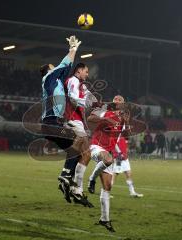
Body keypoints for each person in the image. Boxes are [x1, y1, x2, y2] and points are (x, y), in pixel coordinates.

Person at [40, 35, 82, 202]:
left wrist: (73, 52)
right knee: (78, 139)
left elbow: (65, 68)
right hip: (51, 123)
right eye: (53, 67)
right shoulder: (48, 78)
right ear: (49, 70)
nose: (55, 68)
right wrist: (72, 49)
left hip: (53, 123)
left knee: (75, 150)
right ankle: (66, 176)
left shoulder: (55, 81)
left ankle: (65, 180)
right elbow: (64, 65)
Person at [58, 62, 97, 206]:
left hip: (78, 121)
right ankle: (71, 181)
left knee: (82, 155)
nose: (87, 74)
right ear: (79, 71)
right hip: (72, 119)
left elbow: (90, 98)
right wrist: (87, 103)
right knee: (86, 154)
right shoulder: (73, 81)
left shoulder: (82, 85)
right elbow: (74, 99)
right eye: (86, 71)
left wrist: (100, 105)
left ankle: (71, 185)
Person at [87, 97, 127, 232]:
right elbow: (90, 118)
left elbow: (126, 136)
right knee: (109, 160)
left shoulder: (122, 119)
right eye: (115, 100)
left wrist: (126, 123)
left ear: (122, 104)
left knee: (107, 186)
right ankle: (91, 179)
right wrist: (105, 119)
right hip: (96, 147)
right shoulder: (106, 112)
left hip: (108, 151)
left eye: (120, 100)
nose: (117, 101)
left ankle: (104, 219)